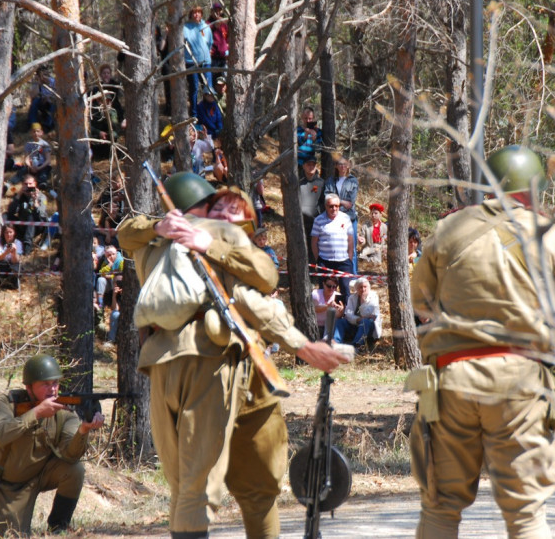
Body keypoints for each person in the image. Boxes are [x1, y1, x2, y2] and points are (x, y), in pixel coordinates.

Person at [117, 173, 350, 538]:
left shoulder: (160, 243)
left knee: (202, 486)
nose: (225, 213)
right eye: (218, 205)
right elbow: (254, 290)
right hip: (216, 363)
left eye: (231, 208)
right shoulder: (202, 235)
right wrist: (301, 346)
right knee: (207, 488)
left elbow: (126, 232)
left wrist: (164, 228)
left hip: (182, 364)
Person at [407, 144, 555, 538]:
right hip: (521, 381)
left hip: (451, 378)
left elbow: (420, 302)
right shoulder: (550, 235)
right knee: (526, 514)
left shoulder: (449, 228)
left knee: (440, 507)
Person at [0, 354, 105, 537]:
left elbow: (70, 455)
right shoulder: (9, 403)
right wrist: (36, 413)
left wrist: (84, 430)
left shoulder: (64, 412)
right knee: (12, 535)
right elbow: (0, 435)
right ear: (29, 387)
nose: (52, 389)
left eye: (55, 383)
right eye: (45, 384)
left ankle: (58, 527)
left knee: (75, 470)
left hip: (41, 474)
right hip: (8, 484)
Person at [311, 193, 355, 303]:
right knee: (325, 289)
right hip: (325, 261)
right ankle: (325, 311)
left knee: (345, 289)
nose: (334, 208)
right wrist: (318, 260)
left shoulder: (346, 218)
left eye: (337, 206)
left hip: (344, 261)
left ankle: (345, 311)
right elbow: (314, 242)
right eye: (331, 206)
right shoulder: (318, 220)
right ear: (326, 206)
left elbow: (350, 240)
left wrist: (350, 258)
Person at [322, 156, 360, 273]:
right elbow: (327, 197)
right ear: (336, 166)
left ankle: (353, 275)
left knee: (351, 248)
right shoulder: (330, 181)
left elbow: (350, 203)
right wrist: (341, 202)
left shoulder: (353, 181)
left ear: (348, 165)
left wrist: (336, 202)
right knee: (336, 248)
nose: (343, 166)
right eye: (340, 164)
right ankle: (336, 275)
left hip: (349, 218)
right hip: (333, 219)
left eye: (345, 164)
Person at [333, 277, 382, 353]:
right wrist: (358, 319)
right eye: (360, 287)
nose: (363, 289)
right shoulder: (352, 298)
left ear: (369, 287)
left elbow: (371, 314)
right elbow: (348, 314)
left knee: (365, 322)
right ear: (356, 288)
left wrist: (363, 300)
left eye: (365, 287)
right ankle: (336, 343)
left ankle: (356, 346)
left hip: (368, 328)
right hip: (354, 325)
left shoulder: (373, 296)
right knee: (340, 321)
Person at [6, 175, 49, 255]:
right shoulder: (20, 196)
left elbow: (41, 213)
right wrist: (19, 195)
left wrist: (35, 201)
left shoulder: (42, 197)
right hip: (22, 223)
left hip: (37, 224)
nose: (28, 186)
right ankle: (4, 242)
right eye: (25, 184)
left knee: (31, 216)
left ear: (35, 184)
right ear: (22, 185)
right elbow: (11, 211)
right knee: (5, 216)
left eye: (30, 184)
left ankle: (27, 248)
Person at [183, 5, 213, 113]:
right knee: (194, 88)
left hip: (206, 62)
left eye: (199, 12)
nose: (196, 15)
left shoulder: (206, 27)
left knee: (208, 88)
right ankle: (194, 114)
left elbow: (209, 43)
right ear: (191, 14)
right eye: (194, 12)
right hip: (191, 62)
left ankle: (208, 113)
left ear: (201, 14)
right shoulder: (185, 28)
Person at [9, 123, 53, 191]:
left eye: (38, 131)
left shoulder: (45, 145)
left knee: (43, 174)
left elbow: (48, 160)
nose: (36, 133)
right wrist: (30, 166)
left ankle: (42, 184)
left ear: (41, 132)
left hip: (43, 166)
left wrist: (39, 167)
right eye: (34, 131)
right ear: (31, 133)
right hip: (32, 166)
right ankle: (10, 183)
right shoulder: (29, 144)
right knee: (22, 170)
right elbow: (27, 158)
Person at [299, 157, 324, 264]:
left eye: (313, 165)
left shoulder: (321, 182)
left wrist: (318, 212)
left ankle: (315, 270)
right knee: (302, 248)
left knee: (315, 248)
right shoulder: (298, 183)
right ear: (304, 166)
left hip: (316, 222)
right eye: (308, 164)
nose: (311, 167)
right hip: (301, 222)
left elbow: (324, 202)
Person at [27, 67, 57, 132]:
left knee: (53, 105)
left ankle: (48, 125)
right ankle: (32, 123)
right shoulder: (37, 83)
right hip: (43, 102)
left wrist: (48, 98)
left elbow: (57, 95)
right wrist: (38, 84)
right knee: (35, 102)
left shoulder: (54, 82)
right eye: (41, 75)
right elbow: (32, 95)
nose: (44, 77)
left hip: (52, 102)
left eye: (45, 75)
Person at [0, 224, 22, 290]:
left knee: (17, 266)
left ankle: (12, 282)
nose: (8, 234)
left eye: (10, 232)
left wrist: (14, 252)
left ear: (14, 233)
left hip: (12, 264)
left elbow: (15, 261)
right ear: (3, 233)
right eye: (6, 233)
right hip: (1, 264)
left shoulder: (18, 243)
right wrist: (6, 252)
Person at [206, 1, 229, 77]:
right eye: (215, 10)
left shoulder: (224, 24)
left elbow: (227, 38)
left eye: (219, 10)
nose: (217, 12)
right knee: (214, 77)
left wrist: (227, 49)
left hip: (223, 56)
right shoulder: (208, 24)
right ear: (211, 11)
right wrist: (215, 26)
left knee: (223, 78)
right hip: (213, 57)